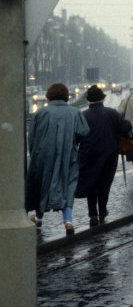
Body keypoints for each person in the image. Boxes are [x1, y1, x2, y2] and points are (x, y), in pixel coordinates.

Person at [25, 83, 90, 235]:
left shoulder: (41, 113)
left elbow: (32, 137)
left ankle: (39, 217)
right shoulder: (75, 112)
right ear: (66, 95)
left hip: (43, 156)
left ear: (49, 95)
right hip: (68, 155)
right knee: (68, 185)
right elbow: (83, 132)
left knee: (42, 184)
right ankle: (68, 220)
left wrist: (35, 153)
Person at [76, 85, 132, 226]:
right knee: (104, 183)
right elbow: (126, 126)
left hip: (88, 153)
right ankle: (102, 210)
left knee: (92, 182)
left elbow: (76, 136)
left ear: (88, 100)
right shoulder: (111, 113)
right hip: (109, 153)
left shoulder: (83, 115)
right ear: (102, 98)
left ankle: (92, 214)